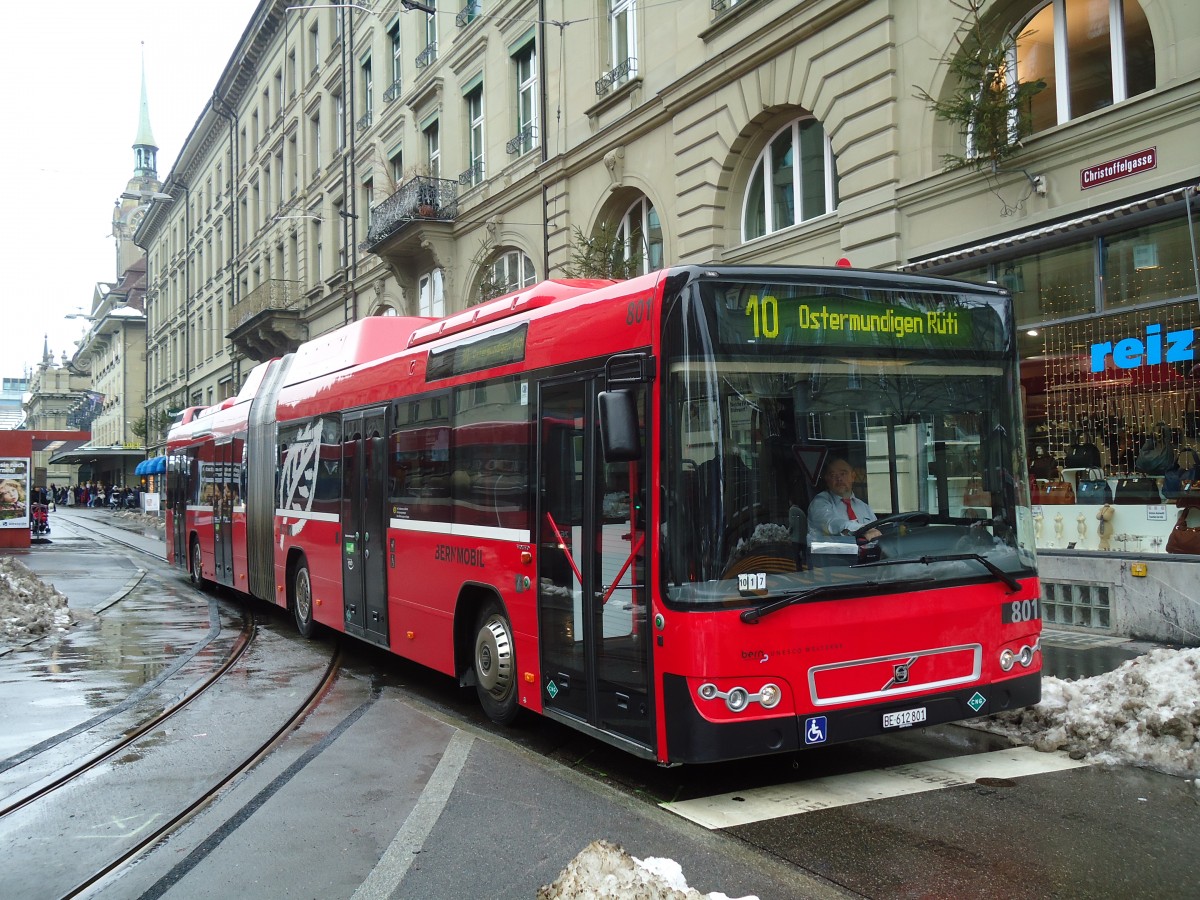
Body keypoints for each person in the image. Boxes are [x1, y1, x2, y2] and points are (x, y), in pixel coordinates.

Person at [808, 457, 881, 543]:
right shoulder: (819, 503)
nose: (839, 479)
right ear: (827, 479)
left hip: (868, 554)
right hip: (833, 555)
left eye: (843, 474)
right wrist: (863, 529)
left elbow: (877, 532)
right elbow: (832, 523)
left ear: (853, 476)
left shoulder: (864, 507)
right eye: (833, 475)